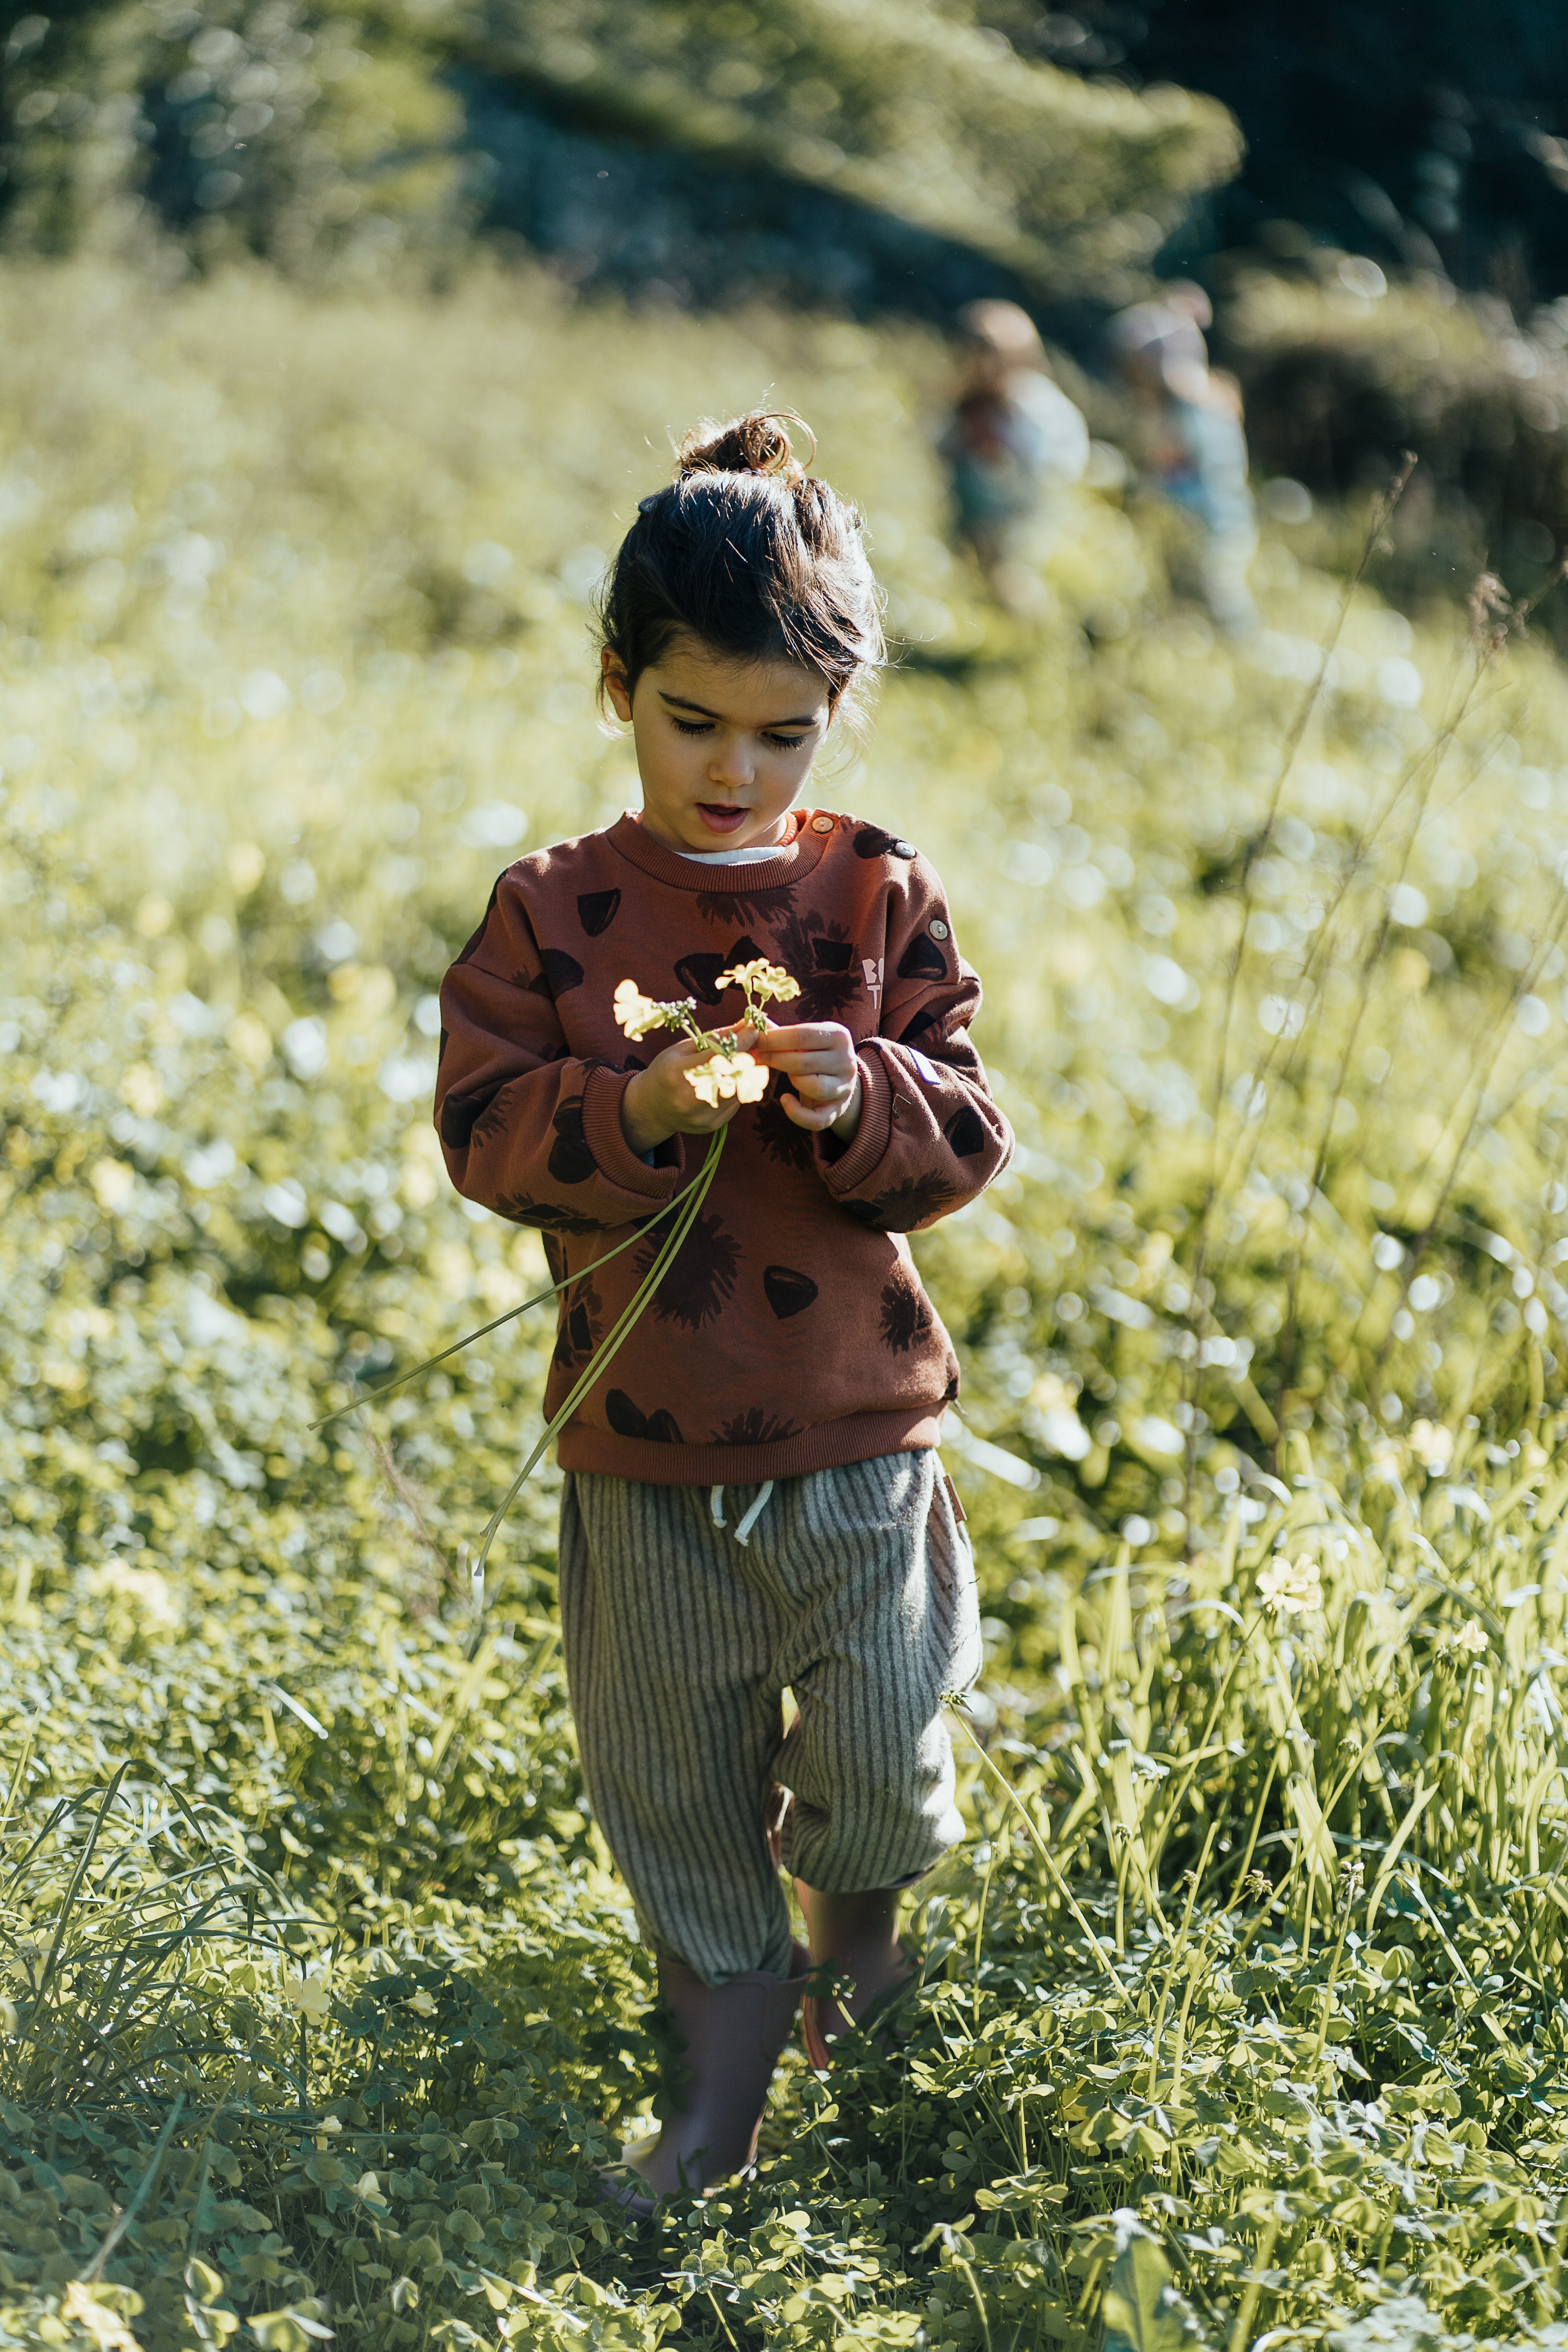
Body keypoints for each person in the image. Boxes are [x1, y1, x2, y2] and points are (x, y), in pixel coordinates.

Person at [433, 411, 1013, 2210]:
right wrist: (638, 1110)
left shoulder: (872, 892)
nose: (735, 771)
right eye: (693, 721)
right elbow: (485, 1132)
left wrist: (861, 1100)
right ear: (618, 684)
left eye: (785, 732)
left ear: (838, 713)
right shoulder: (554, 909)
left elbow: (969, 1129)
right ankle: (718, 2108)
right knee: (675, 1802)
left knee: (882, 1770)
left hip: (851, 1423)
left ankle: (866, 1966)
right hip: (648, 1445)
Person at [1110, 281, 1258, 634]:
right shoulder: (1171, 410)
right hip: (1185, 518)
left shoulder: (1198, 412)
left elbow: (1199, 468)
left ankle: (1242, 653)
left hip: (1214, 520)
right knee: (1180, 593)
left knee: (1219, 595)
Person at [940, 298, 1089, 606]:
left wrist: (1004, 460)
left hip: (1025, 520)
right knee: (979, 586)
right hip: (974, 516)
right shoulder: (971, 405)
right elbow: (944, 448)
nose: (984, 366)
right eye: (976, 354)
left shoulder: (1036, 404)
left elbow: (1060, 465)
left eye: (992, 356)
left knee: (1019, 586)